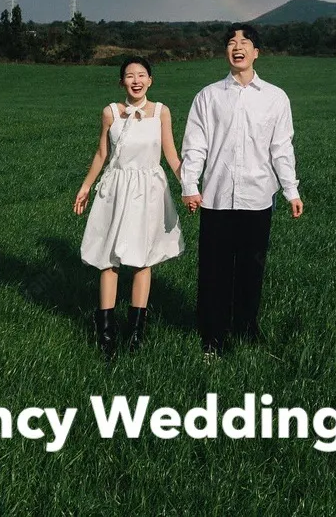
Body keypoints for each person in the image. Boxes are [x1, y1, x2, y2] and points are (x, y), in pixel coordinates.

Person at [181, 24, 303, 357]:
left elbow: (281, 148)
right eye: (231, 42)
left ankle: (247, 329)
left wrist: (291, 191)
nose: (238, 47)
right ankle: (212, 338)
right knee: (214, 273)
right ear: (226, 53)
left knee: (251, 270)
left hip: (258, 198)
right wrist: (189, 185)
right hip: (216, 198)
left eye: (245, 42)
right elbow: (195, 145)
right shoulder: (208, 96)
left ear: (256, 52)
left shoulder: (276, 98)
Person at [74, 56, 184, 357]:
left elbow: (172, 155)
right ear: (122, 81)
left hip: (149, 190)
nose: (136, 80)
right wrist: (85, 187)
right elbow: (101, 153)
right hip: (116, 189)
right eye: (130, 75)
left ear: (150, 80)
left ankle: (136, 333)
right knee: (108, 258)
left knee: (143, 258)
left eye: (142, 75)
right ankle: (106, 333)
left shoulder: (161, 112)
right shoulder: (111, 112)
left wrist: (189, 186)